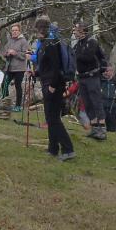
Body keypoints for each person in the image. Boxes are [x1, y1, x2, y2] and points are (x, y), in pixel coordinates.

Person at [33, 15, 75, 161]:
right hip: (50, 83)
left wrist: (52, 86)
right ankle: (53, 149)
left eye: (39, 28)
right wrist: (35, 72)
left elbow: (56, 67)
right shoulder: (47, 43)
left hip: (53, 85)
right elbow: (47, 66)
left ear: (42, 29)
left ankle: (68, 149)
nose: (38, 31)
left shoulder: (51, 44)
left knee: (53, 119)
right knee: (50, 118)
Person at [73, 22, 111, 140]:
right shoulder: (77, 44)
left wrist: (105, 69)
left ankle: (102, 129)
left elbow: (91, 57)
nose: (74, 32)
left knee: (96, 102)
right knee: (87, 103)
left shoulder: (92, 42)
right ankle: (94, 128)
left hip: (92, 76)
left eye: (76, 30)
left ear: (83, 31)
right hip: (82, 77)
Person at [2, 23, 30, 112]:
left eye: (16, 30)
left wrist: (15, 53)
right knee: (4, 84)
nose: (14, 32)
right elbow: (4, 52)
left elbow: (25, 55)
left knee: (18, 86)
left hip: (19, 68)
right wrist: (7, 53)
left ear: (19, 31)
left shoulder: (23, 41)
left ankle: (18, 106)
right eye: (13, 30)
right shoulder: (10, 40)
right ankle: (6, 103)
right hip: (9, 67)